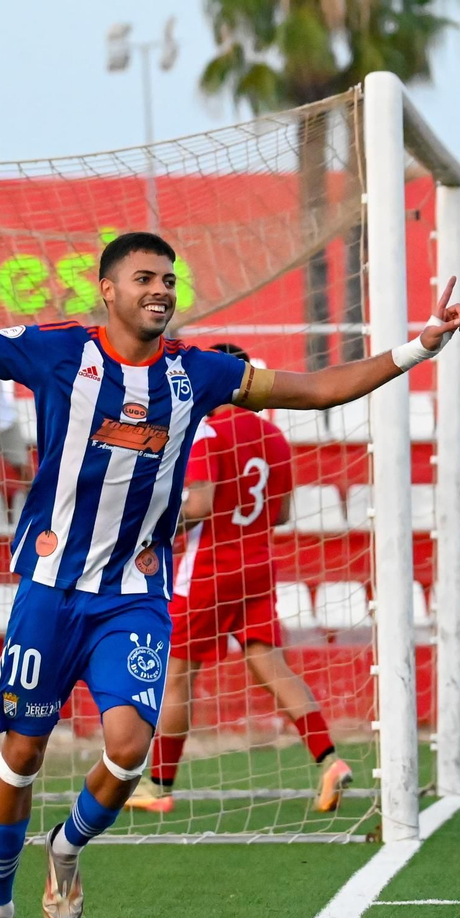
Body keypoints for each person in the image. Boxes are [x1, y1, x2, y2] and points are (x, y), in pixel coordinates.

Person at [0, 196, 460, 918]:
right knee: (20, 754)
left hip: (132, 597)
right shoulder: (57, 353)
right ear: (108, 289)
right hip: (48, 590)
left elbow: (313, 389)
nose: (161, 290)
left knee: (131, 747)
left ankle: (67, 847)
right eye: (145, 277)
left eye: (168, 279)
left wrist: (416, 349)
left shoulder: (194, 373)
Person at [127, 342, 351, 816]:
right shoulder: (275, 436)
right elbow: (283, 512)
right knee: (270, 663)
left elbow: (202, 503)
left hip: (210, 566)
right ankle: (328, 758)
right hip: (258, 565)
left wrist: (153, 520)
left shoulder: (209, 431)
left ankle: (160, 785)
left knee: (176, 674)